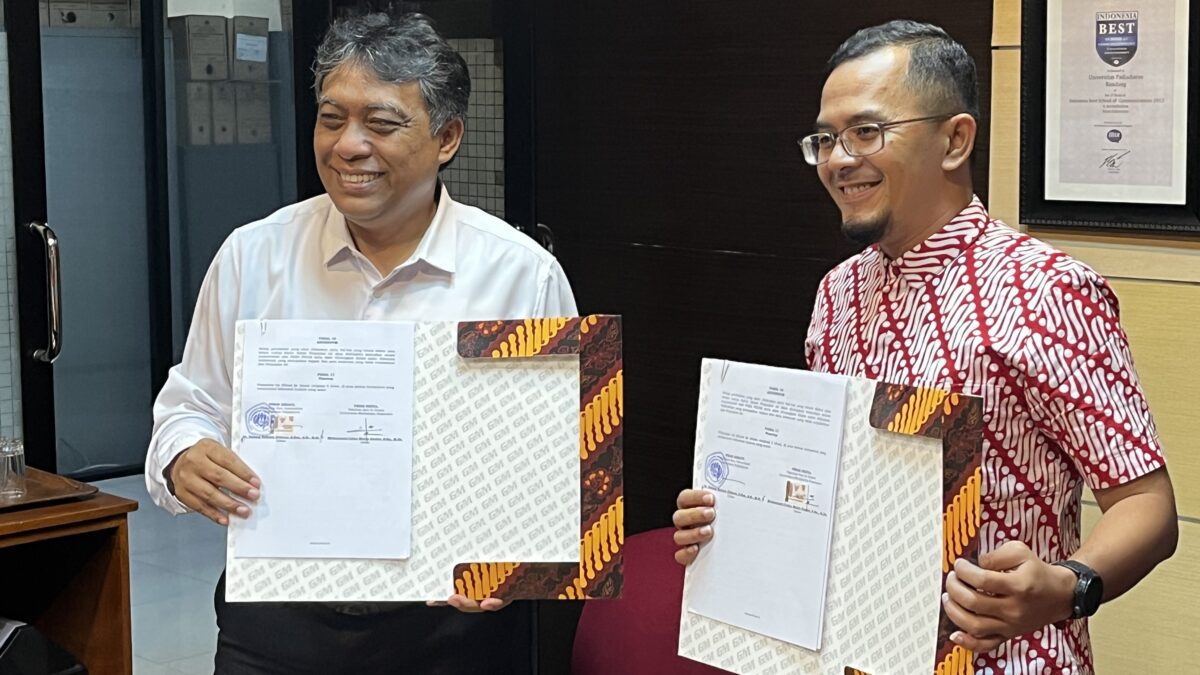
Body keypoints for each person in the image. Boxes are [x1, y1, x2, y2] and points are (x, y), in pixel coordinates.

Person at [672, 20, 1177, 674]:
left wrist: (1067, 586)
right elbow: (827, 486)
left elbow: (1147, 505)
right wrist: (737, 515)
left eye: (866, 131)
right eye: (824, 139)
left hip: (1004, 659)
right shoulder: (838, 292)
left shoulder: (1047, 289)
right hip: (851, 653)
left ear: (955, 140)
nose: (837, 160)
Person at [145, 12, 575, 674]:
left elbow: (561, 467)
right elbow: (190, 403)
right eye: (331, 119)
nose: (348, 145)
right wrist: (182, 456)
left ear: (447, 137)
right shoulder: (254, 256)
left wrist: (520, 557)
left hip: (449, 630)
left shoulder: (518, 276)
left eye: (381, 123)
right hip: (276, 618)